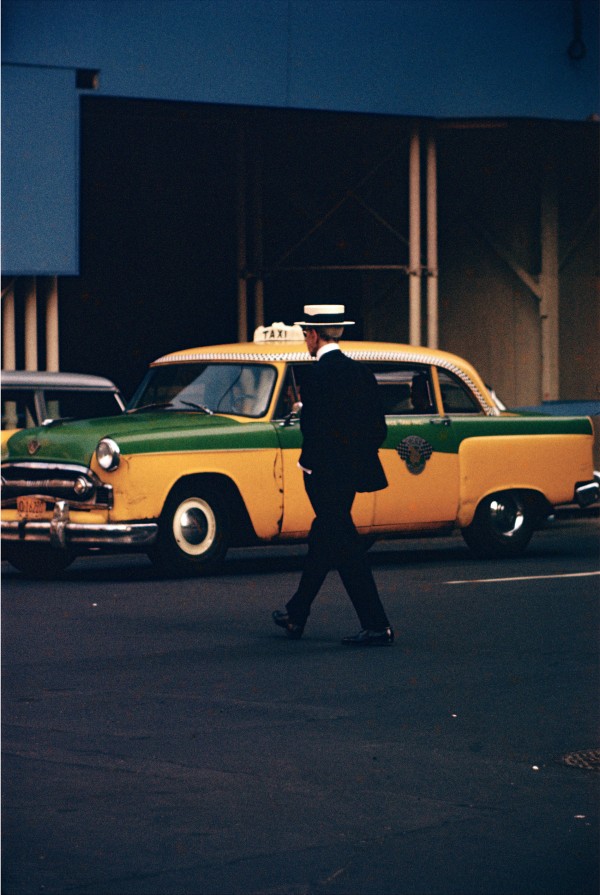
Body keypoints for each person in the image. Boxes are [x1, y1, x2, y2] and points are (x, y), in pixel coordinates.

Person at [272, 304, 394, 647]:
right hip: (350, 476)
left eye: (305, 335)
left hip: (323, 477)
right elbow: (378, 430)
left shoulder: (315, 377)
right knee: (324, 539)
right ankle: (296, 613)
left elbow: (313, 431)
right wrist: (353, 462)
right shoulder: (362, 374)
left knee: (344, 546)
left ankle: (377, 625)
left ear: (313, 335)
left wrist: (311, 466)